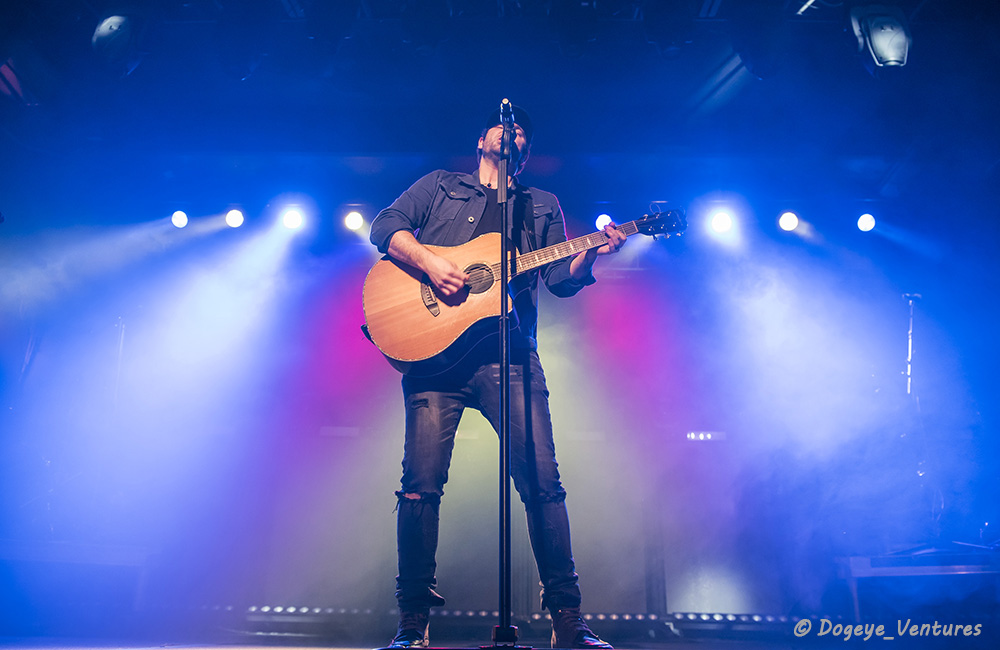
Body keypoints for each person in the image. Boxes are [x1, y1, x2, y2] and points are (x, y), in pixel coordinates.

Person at [368, 105, 625, 649]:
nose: (513, 134)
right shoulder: (440, 187)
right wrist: (432, 266)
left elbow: (558, 279)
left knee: (543, 486)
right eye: (505, 127)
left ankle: (568, 621)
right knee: (420, 488)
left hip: (508, 359)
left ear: (525, 152)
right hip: (435, 360)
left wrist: (591, 256)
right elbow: (384, 226)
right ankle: (412, 624)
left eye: (523, 133)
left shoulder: (540, 206)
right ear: (482, 138)